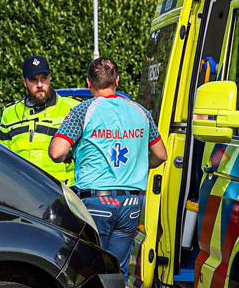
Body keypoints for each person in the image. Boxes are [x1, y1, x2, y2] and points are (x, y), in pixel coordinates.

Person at [49, 56, 168, 274]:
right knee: (118, 270)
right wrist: (138, 164)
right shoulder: (141, 112)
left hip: (96, 202)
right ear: (118, 80)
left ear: (88, 82)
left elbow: (57, 152)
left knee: (90, 270)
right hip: (131, 203)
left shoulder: (83, 111)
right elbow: (161, 154)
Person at [0, 54, 74, 181]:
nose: (39, 84)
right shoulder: (9, 113)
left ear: (50, 78)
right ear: (24, 82)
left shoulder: (72, 108)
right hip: (23, 191)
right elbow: (1, 157)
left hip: (63, 191)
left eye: (44, 78)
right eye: (33, 79)